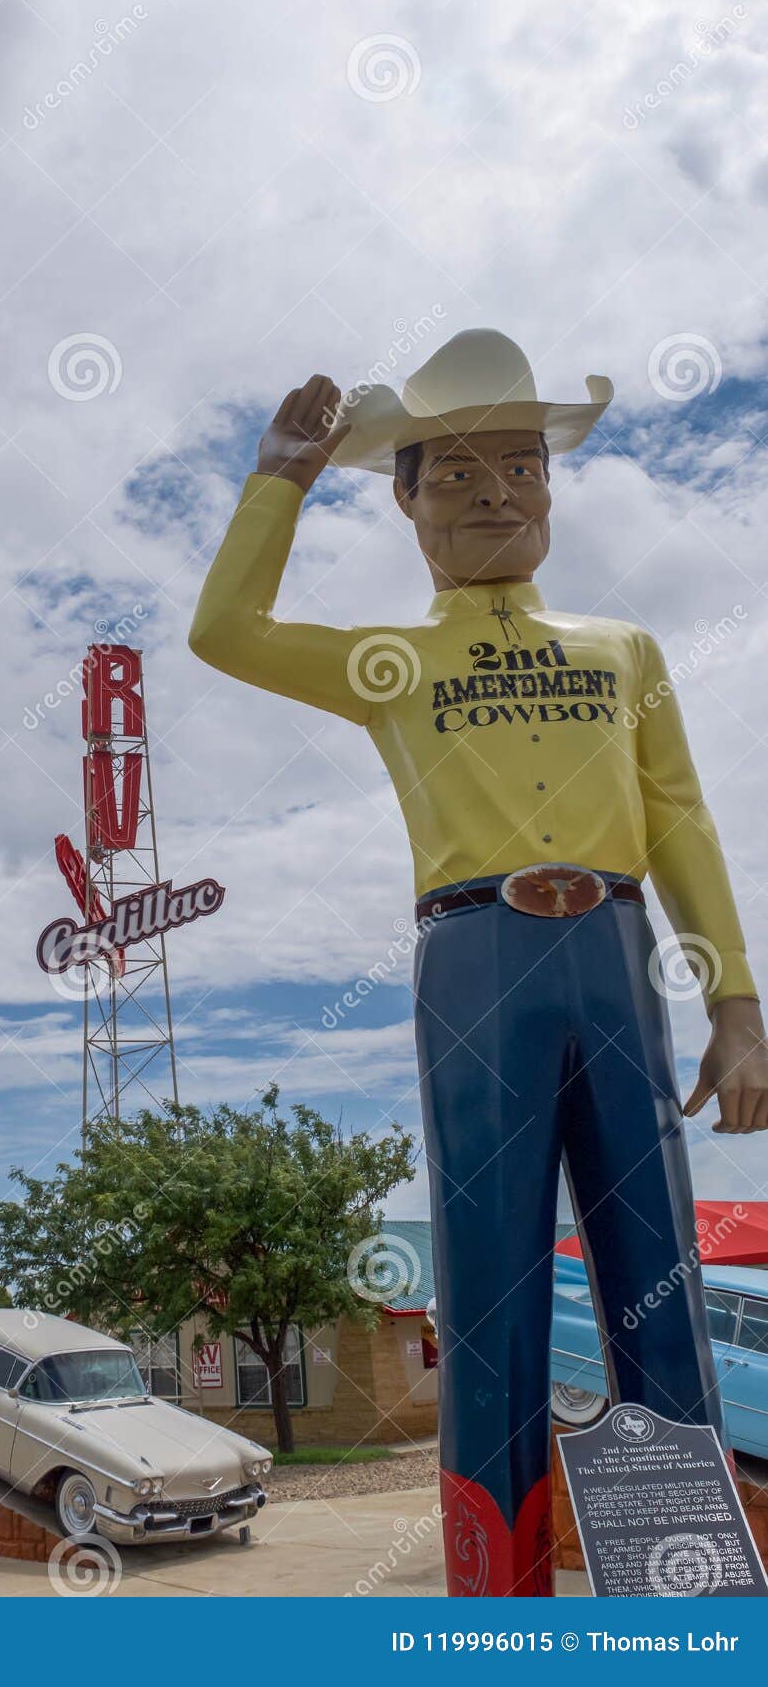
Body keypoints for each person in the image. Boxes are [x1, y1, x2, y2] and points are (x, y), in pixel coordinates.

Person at [188, 328, 768, 1596]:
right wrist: (277, 479)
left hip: (615, 956)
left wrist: (734, 1000)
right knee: (490, 1285)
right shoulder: (392, 662)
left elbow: (677, 816)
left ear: (551, 487)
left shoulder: (621, 650)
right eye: (453, 476)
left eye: (519, 467)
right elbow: (224, 633)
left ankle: (688, 1594)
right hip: (473, 962)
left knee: (653, 1270)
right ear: (404, 504)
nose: (495, 493)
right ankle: (492, 1601)